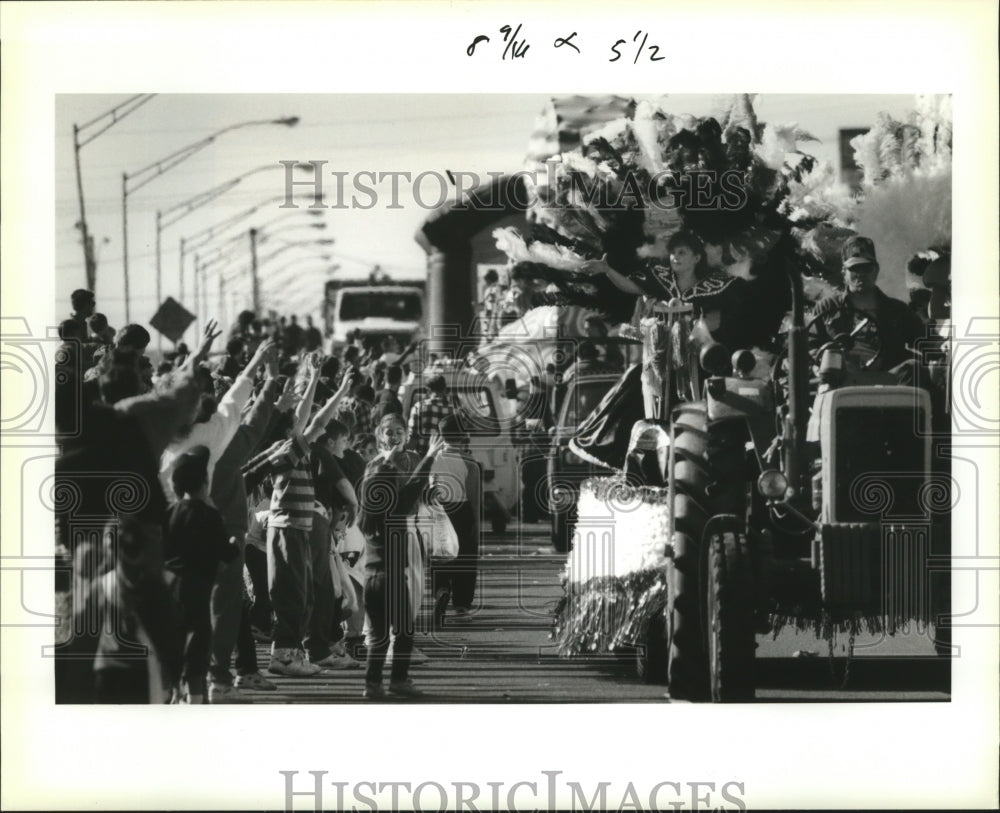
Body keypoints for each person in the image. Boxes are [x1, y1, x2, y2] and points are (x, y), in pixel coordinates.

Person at [570, 230, 776, 471]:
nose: (675, 258)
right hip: (660, 367)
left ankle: (713, 459)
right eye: (672, 253)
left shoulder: (719, 285)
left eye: (682, 253)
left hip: (699, 365)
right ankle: (643, 460)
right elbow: (631, 286)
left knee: (710, 406)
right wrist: (607, 270)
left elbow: (725, 321)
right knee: (637, 386)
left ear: (697, 258)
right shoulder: (662, 278)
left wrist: (695, 327)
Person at [263, 357, 353, 676]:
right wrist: (330, 389)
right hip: (287, 528)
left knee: (303, 593)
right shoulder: (286, 449)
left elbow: (308, 422)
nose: (301, 423)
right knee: (291, 594)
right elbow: (313, 425)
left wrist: (331, 386)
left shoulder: (289, 445)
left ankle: (292, 653)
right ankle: (284, 657)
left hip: (297, 527)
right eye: (293, 422)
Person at [357, 413, 444, 699]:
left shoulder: (368, 516)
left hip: (372, 578)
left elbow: (404, 488)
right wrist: (430, 455)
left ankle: (372, 684)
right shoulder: (395, 513)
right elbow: (413, 487)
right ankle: (398, 680)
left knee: (379, 637)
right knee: (404, 630)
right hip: (392, 577)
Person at [164, 446, 241, 703]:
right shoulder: (209, 515)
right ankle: (195, 696)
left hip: (172, 587)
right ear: (205, 483)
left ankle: (173, 691)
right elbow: (225, 553)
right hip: (199, 587)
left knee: (173, 640)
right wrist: (234, 543)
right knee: (198, 641)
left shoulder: (170, 513)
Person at [810, 236, 928, 372]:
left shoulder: (898, 311)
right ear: (844, 273)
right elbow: (808, 346)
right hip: (840, 382)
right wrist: (818, 365)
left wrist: (943, 347)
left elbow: (925, 339)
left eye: (866, 268)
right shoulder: (827, 308)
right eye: (855, 268)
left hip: (889, 382)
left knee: (913, 370)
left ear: (876, 270)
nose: (861, 274)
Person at [429, 415, 481, 626]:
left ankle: (441, 590)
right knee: (465, 559)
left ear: (441, 435)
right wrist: (476, 524)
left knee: (441, 556)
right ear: (463, 436)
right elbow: (474, 497)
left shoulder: (432, 459)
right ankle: (461, 606)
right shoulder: (470, 463)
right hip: (462, 510)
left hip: (439, 511)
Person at [407, 373, 454, 456]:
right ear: (444, 389)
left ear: (428, 390)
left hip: (424, 459)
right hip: (448, 461)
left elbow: (413, 439)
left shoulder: (419, 407)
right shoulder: (455, 410)